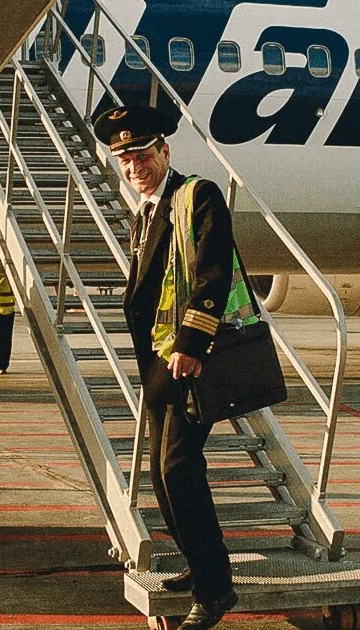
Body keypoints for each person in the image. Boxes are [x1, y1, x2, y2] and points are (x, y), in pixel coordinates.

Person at [95, 104, 239, 629]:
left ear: (165, 151)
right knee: (162, 475)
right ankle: (199, 566)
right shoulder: (147, 211)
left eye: (141, 155)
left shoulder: (195, 196)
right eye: (124, 159)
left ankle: (216, 588)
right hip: (158, 364)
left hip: (187, 361)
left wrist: (193, 345)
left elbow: (214, 272)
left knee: (178, 471)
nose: (133, 167)